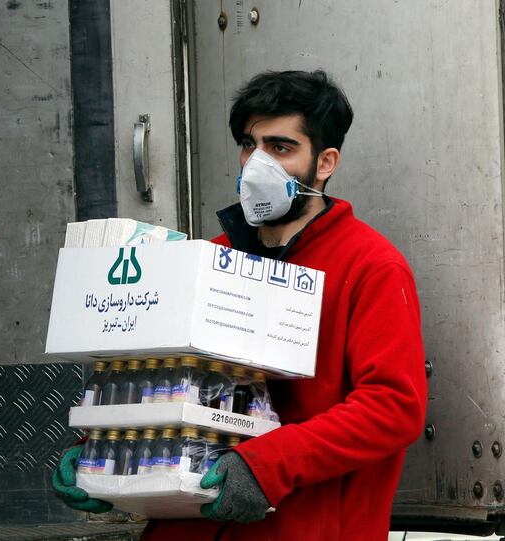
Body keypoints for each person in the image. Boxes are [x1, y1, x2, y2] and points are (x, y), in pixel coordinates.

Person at [53, 69, 427, 541]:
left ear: (326, 162)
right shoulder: (211, 257)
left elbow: (393, 407)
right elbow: (168, 377)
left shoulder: (372, 268)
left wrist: (267, 464)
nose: (257, 164)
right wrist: (101, 451)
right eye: (250, 145)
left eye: (281, 148)